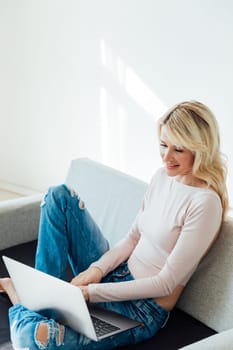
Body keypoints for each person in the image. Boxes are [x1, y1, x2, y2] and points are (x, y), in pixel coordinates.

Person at [0, 100, 229, 349]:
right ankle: (44, 295)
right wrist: (96, 271)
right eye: (163, 145)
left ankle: (22, 298)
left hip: (140, 308)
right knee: (59, 197)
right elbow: (132, 238)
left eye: (179, 150)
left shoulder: (205, 203)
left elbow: (165, 283)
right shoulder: (162, 176)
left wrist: (91, 292)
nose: (167, 157)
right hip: (114, 273)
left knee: (32, 339)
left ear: (200, 149)